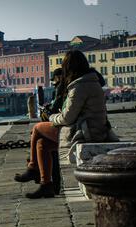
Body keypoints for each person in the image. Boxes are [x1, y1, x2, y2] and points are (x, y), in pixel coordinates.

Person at [15, 50, 110, 199]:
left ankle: (33, 167)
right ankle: (46, 185)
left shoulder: (80, 86)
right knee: (42, 144)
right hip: (89, 127)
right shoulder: (89, 81)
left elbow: (67, 118)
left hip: (85, 131)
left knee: (37, 128)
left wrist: (52, 117)